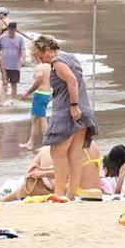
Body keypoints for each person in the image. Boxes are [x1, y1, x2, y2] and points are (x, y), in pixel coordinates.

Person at [35, 34, 99, 201]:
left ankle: (58, 194)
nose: (40, 60)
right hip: (83, 109)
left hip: (68, 111)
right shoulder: (71, 57)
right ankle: (70, 194)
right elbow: (73, 80)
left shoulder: (57, 62)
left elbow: (71, 81)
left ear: (48, 50)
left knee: (58, 153)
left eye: (40, 56)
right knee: (75, 154)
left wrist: (73, 105)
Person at [21, 51, 52, 149]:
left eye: (32, 57)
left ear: (36, 57)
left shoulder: (39, 67)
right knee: (35, 119)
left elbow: (39, 79)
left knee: (42, 119)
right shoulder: (49, 66)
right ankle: (31, 142)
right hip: (47, 94)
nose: (32, 60)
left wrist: (27, 93)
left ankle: (47, 144)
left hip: (40, 94)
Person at [0, 22, 28, 101]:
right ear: (8, 29)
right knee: (4, 83)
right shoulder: (2, 38)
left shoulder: (20, 39)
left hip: (15, 65)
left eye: (13, 30)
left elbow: (22, 50)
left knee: (14, 84)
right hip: (4, 65)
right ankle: (2, 101)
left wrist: (23, 60)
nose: (12, 32)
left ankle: (12, 101)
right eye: (10, 30)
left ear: (15, 29)